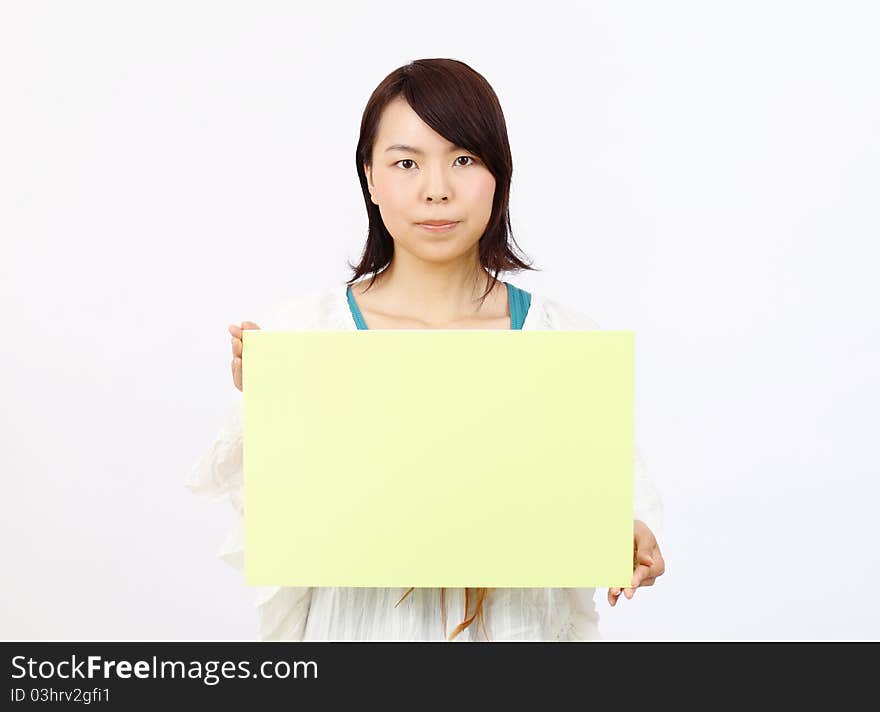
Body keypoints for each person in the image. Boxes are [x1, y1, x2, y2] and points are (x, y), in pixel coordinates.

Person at [186, 58, 665, 642]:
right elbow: (266, 528)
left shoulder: (561, 342)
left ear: (499, 175)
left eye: (463, 159)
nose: (436, 189)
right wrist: (270, 409)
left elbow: (615, 498)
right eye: (406, 163)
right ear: (370, 178)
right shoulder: (305, 335)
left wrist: (628, 534)